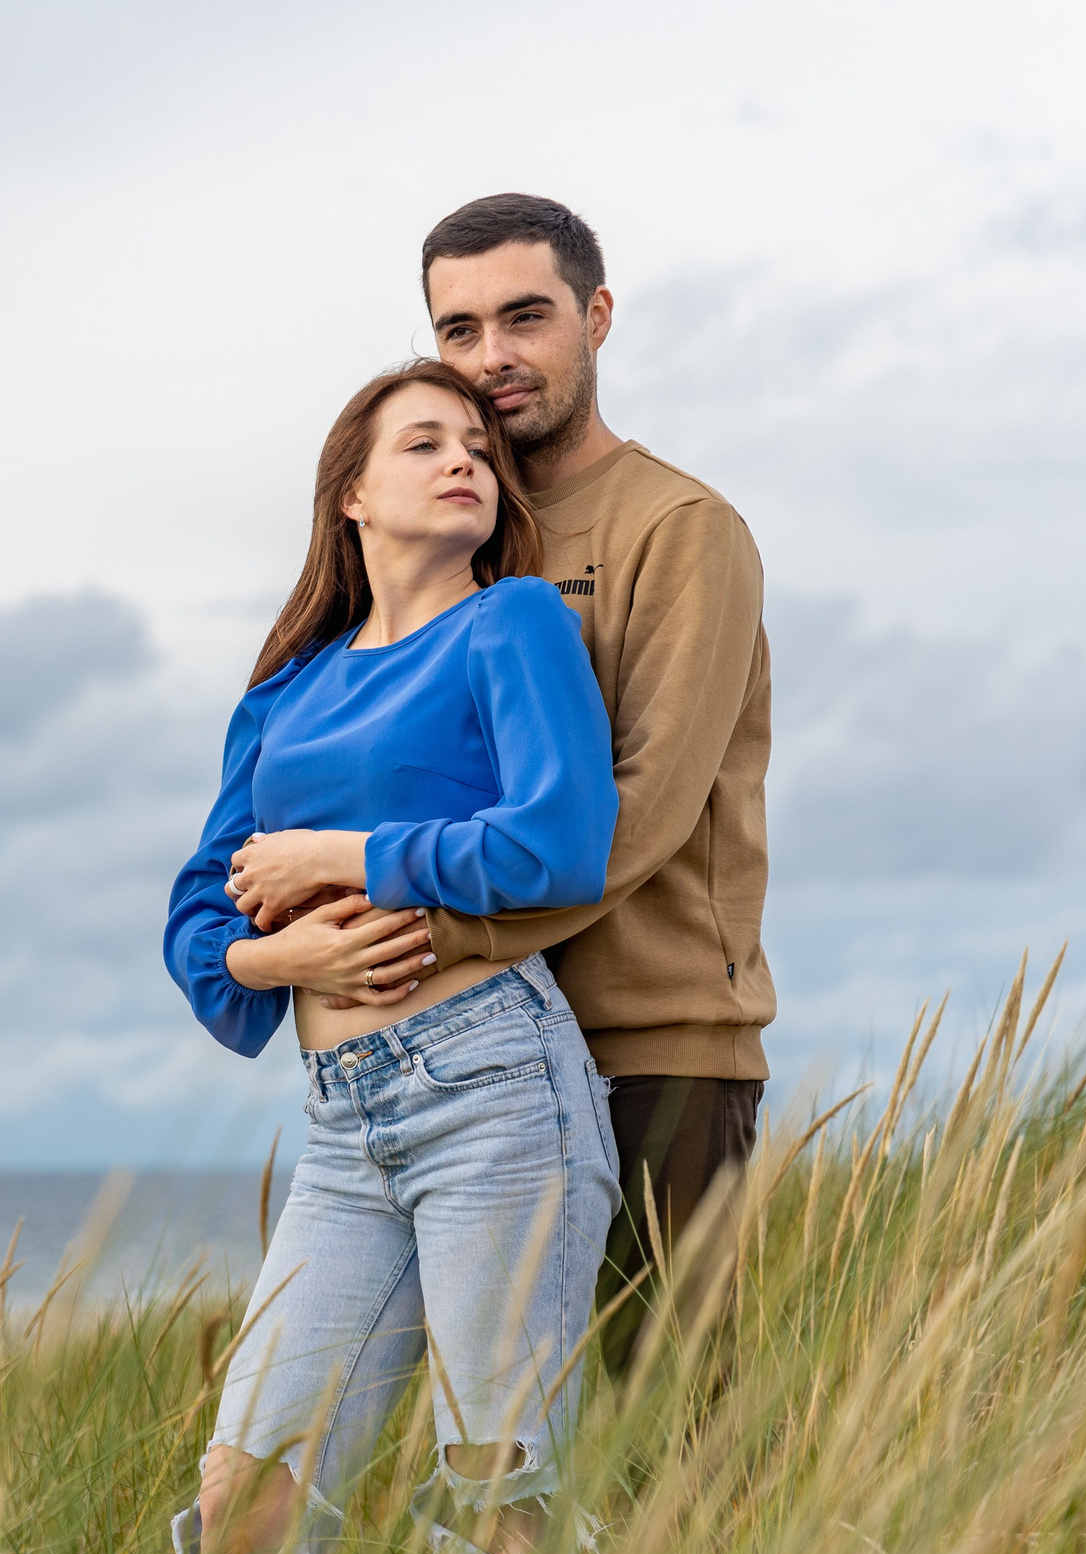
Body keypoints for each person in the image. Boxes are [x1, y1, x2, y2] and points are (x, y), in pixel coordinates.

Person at [163, 359, 621, 1554]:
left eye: (478, 442)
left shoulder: (513, 626)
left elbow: (561, 838)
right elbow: (200, 913)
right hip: (343, 1127)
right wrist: (279, 949)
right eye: (425, 441)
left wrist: (345, 851)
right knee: (242, 1496)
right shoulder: (284, 693)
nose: (466, 457)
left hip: (495, 1087)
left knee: (502, 1493)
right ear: (352, 492)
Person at [393, 194, 777, 1368]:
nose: (492, 357)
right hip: (464, 1049)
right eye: (458, 331)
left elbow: (650, 802)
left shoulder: (682, 527)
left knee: (659, 1438)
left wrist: (438, 939)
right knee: (503, 1444)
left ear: (597, 317)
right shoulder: (446, 532)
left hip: (648, 1047)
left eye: (525, 317)